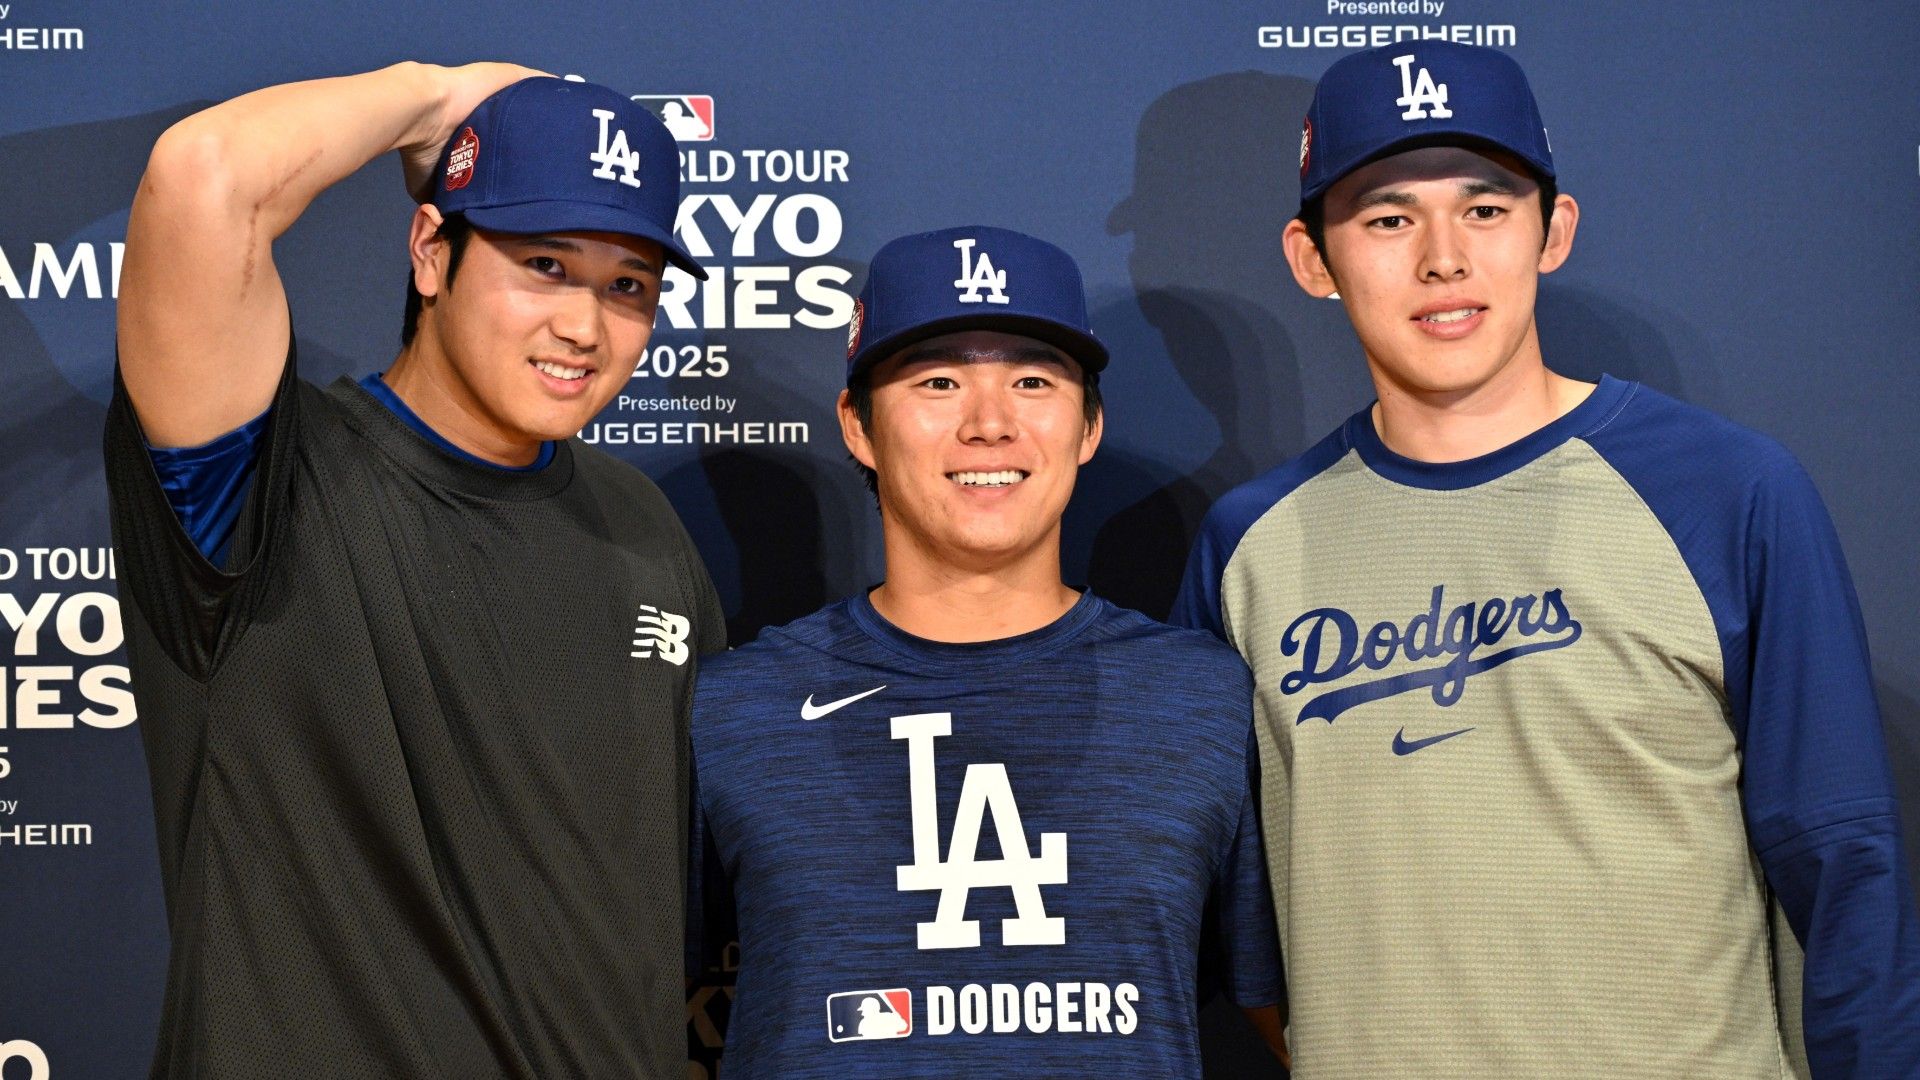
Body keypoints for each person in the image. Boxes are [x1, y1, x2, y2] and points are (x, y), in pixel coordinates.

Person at [1173, 40, 1920, 1078]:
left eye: (1485, 209)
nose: (1444, 258)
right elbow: (1240, 926)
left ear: (1552, 232)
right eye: (1388, 219)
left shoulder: (1728, 492)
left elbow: (1843, 869)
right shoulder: (1249, 545)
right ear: (1313, 260)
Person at [105, 64, 723, 1077]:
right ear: (432, 252)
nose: (585, 327)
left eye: (628, 287)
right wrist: (437, 99)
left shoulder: (642, 527)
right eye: (544, 265)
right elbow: (202, 175)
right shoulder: (263, 477)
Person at [688, 226, 1287, 1077]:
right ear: (858, 426)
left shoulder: (1204, 701)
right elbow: (612, 989)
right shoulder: (734, 710)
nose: (990, 425)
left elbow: (1296, 1015)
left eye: (1033, 381)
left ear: (1089, 425)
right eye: (938, 382)